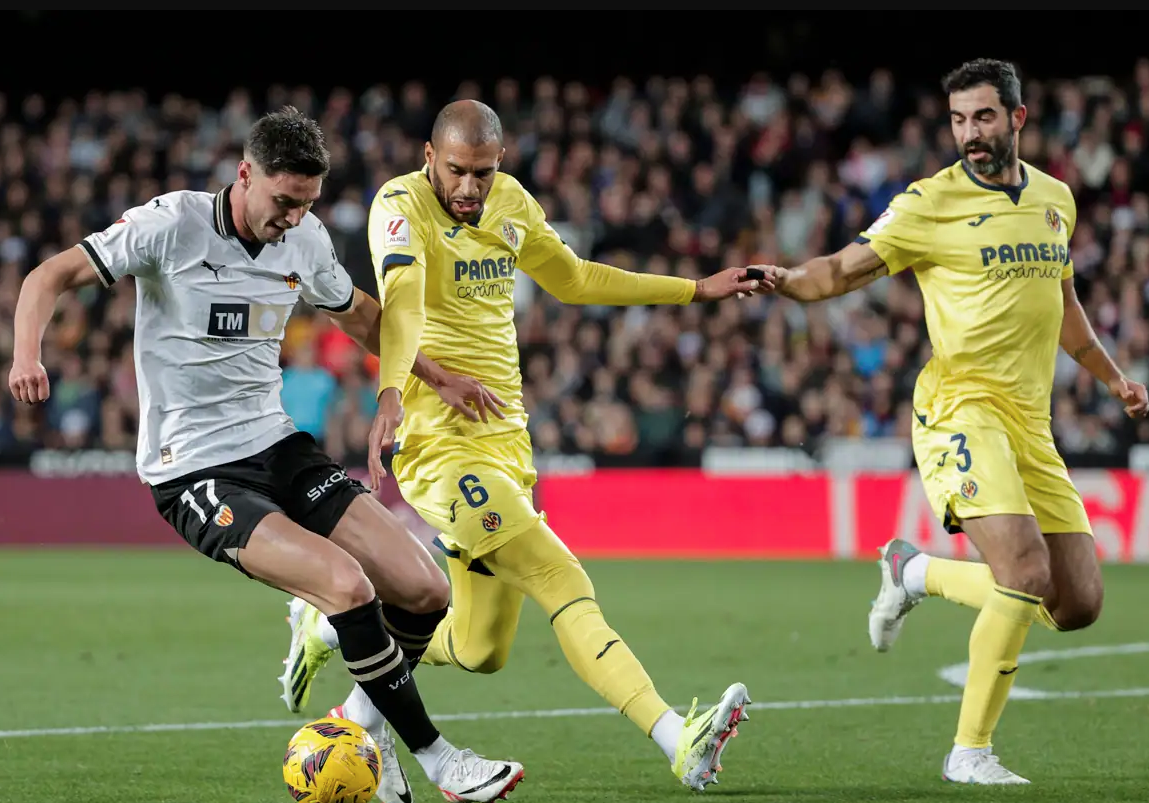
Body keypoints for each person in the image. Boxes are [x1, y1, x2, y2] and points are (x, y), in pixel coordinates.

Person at [8, 106, 524, 803]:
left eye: (306, 203)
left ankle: (361, 724)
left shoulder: (304, 238)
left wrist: (432, 377)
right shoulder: (171, 225)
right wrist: (27, 355)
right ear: (245, 174)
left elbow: (361, 315)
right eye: (284, 201)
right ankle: (439, 759)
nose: (292, 218)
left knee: (425, 589)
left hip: (276, 444)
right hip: (194, 469)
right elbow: (47, 276)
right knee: (347, 586)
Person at [282, 99, 761, 794]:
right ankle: (676, 738)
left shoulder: (509, 202)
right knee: (559, 578)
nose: (468, 186)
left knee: (481, 648)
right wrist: (392, 390)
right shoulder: (400, 207)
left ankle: (338, 635)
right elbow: (402, 302)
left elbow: (576, 278)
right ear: (428, 157)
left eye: (481, 172)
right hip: (440, 445)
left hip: (507, 442)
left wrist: (695, 289)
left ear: (499, 162)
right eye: (456, 170)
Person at [744, 59, 1149, 785]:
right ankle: (970, 752)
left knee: (1077, 603)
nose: (970, 133)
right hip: (960, 408)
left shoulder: (1054, 200)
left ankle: (914, 571)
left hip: (1029, 422)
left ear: (1017, 118)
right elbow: (842, 269)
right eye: (959, 120)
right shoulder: (929, 203)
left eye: (983, 117)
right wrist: (786, 280)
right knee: (1023, 571)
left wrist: (1113, 376)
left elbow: (1063, 305)